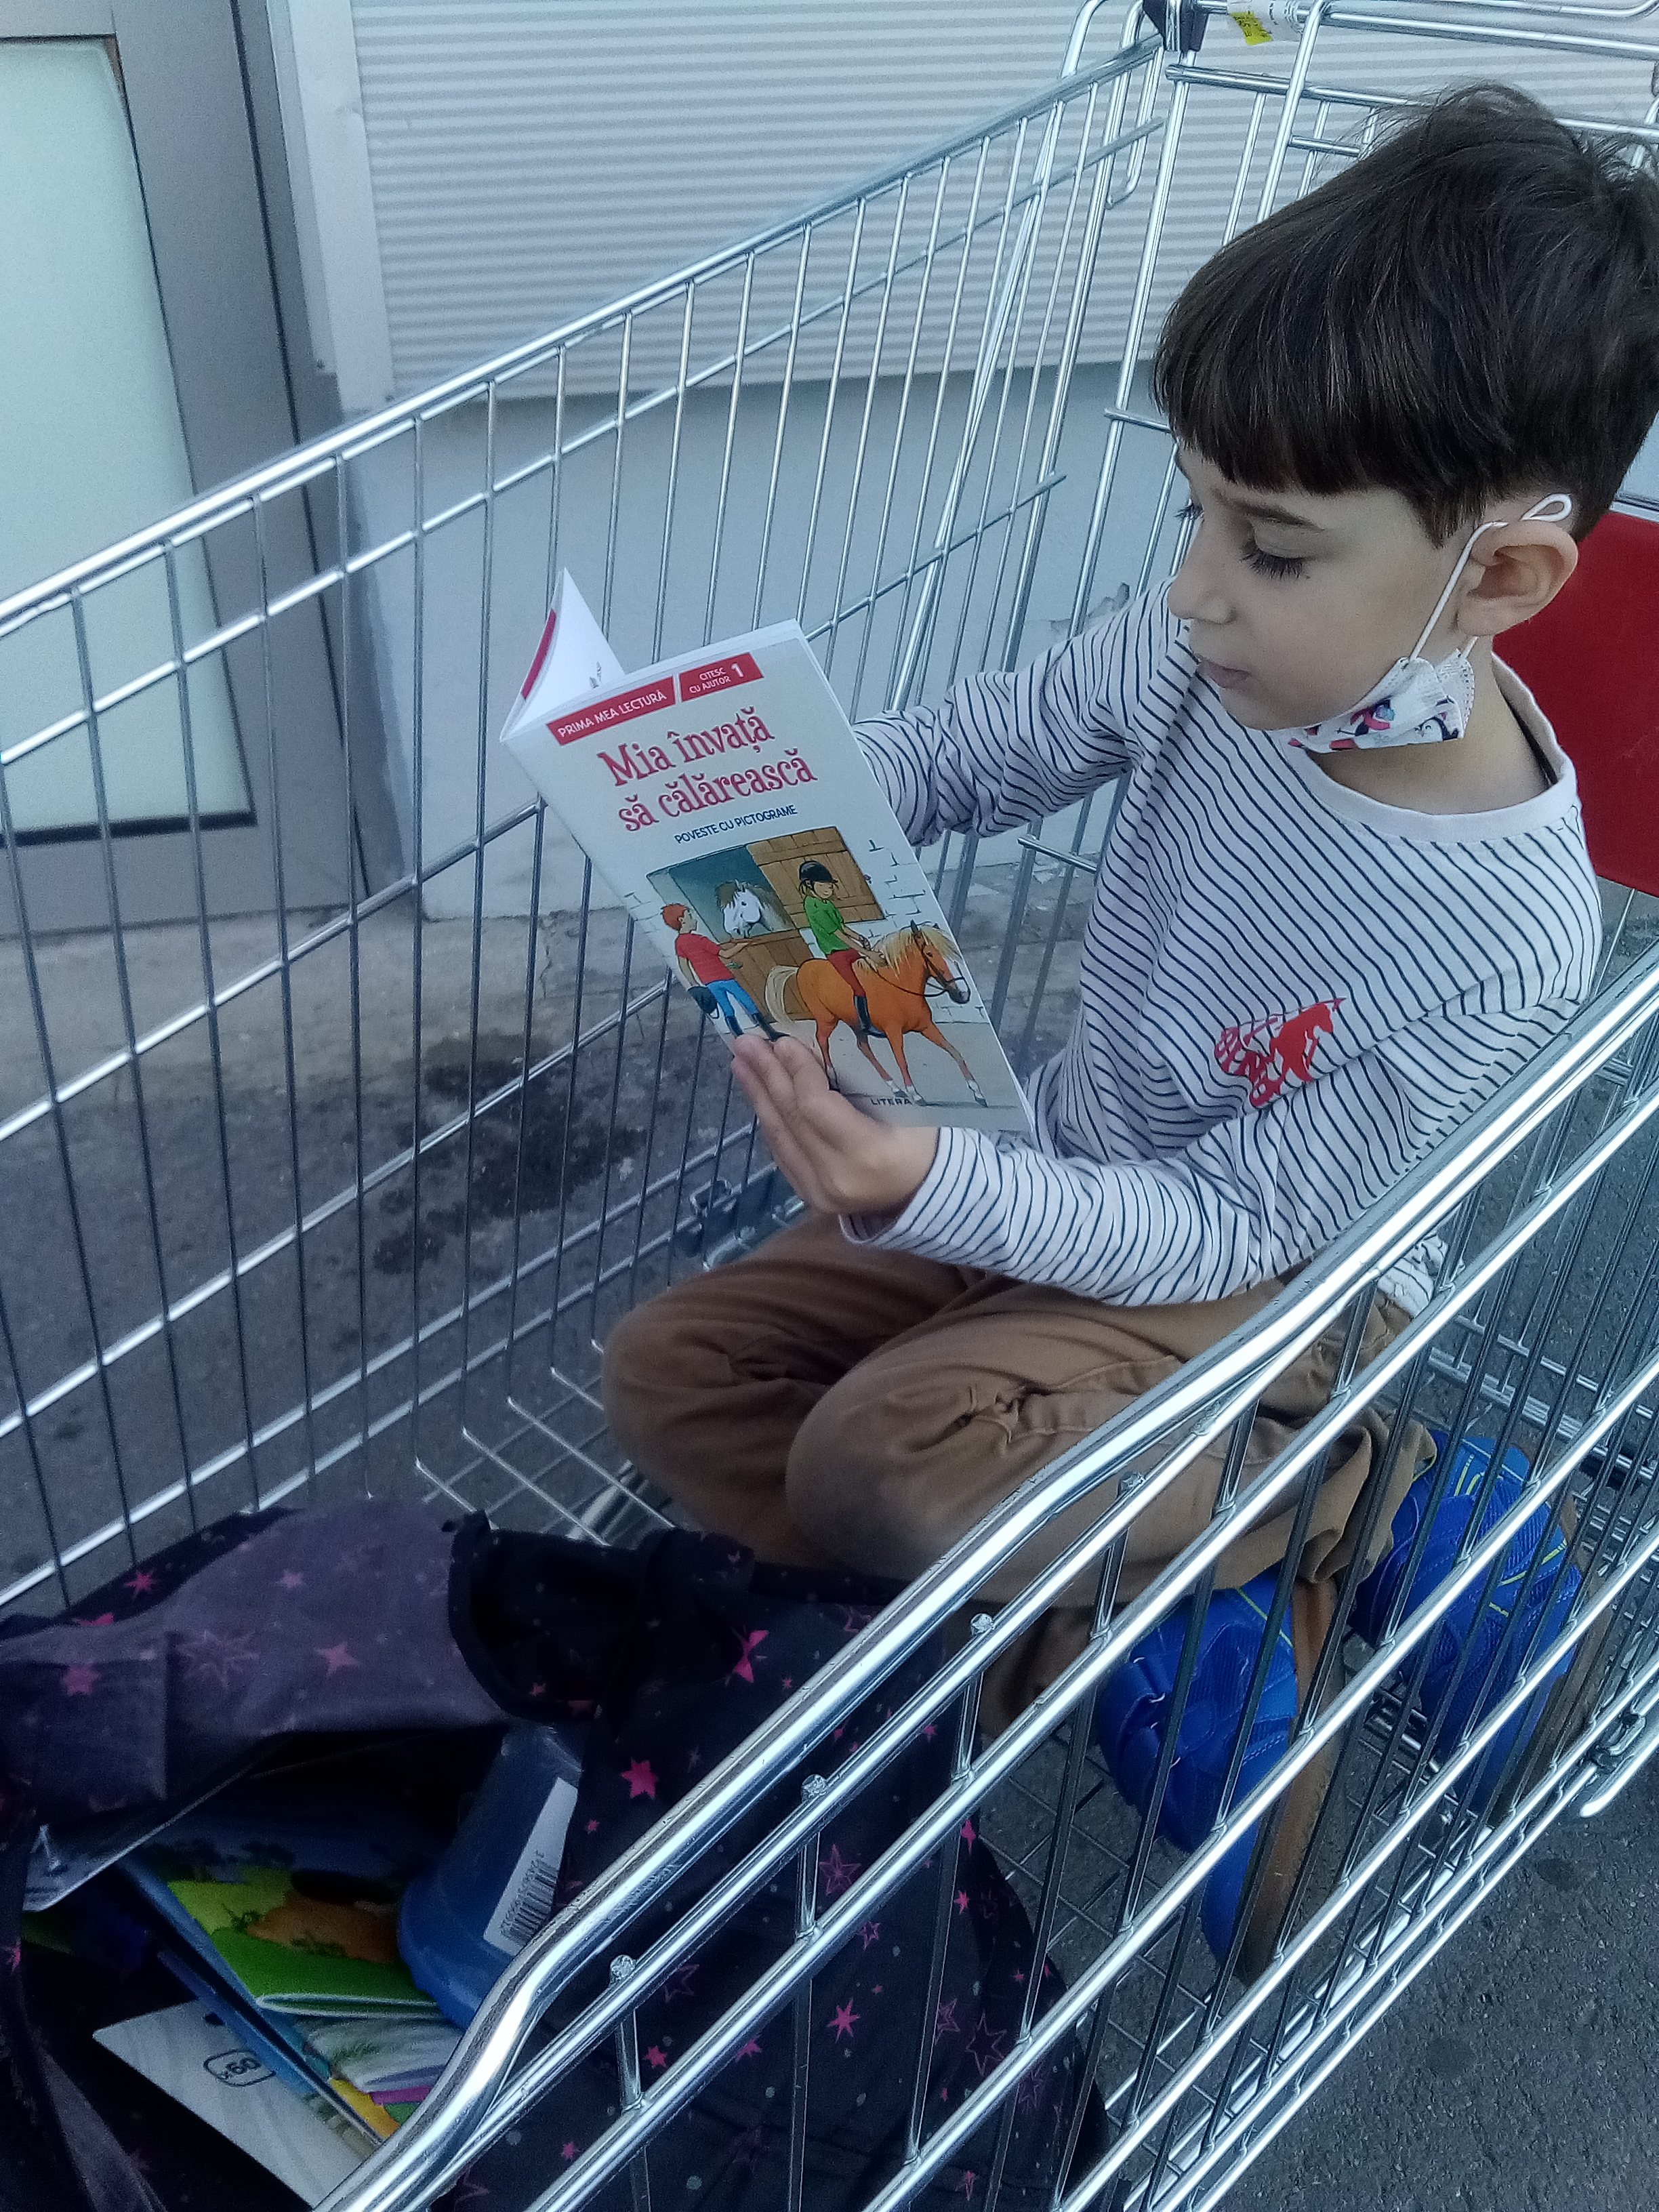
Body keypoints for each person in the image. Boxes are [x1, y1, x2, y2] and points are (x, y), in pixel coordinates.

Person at [609, 90, 1659, 1740]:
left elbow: (1231, 1226)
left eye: (1272, 548)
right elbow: (966, 754)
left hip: (1269, 1292)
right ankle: (1056, 1623)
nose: (1192, 589)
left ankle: (1338, 1491)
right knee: (671, 1370)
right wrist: (748, 790)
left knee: (878, 1457)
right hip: (1076, 1162)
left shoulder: (1504, 937)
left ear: (1501, 580)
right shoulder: (1195, 654)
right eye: (1195, 510)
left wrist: (932, 1186)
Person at [661, 903, 782, 1040]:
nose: (694, 920)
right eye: (690, 916)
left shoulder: (679, 943)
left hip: (709, 983)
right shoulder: (700, 940)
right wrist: (743, 944)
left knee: (727, 1010)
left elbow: (683, 965)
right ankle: (770, 1033)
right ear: (682, 920)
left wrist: (694, 983)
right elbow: (726, 954)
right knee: (748, 1003)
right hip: (725, 978)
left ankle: (739, 1037)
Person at [798, 859, 878, 1036]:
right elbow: (838, 934)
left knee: (870, 978)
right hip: (836, 953)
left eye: (830, 886)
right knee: (859, 988)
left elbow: (842, 927)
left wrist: (860, 937)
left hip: (848, 948)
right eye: (823, 886)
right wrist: (868, 953)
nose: (829, 889)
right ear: (810, 885)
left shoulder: (827, 902)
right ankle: (866, 1025)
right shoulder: (814, 906)